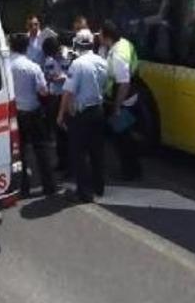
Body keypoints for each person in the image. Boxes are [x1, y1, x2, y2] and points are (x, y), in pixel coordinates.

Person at [57, 29, 108, 203]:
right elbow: (105, 85)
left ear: (77, 45)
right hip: (98, 110)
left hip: (82, 114)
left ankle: (84, 193)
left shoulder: (77, 64)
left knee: (79, 153)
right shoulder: (102, 62)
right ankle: (99, 187)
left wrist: (61, 114)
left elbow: (68, 92)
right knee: (97, 152)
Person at [10, 33, 58, 197]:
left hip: (14, 114)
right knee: (41, 150)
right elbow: (43, 91)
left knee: (19, 152)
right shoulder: (32, 67)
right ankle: (49, 186)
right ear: (27, 48)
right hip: (33, 112)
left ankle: (22, 188)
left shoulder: (5, 67)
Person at [100, 20, 143, 181]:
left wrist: (117, 107)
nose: (99, 37)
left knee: (123, 138)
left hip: (123, 101)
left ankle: (131, 171)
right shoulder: (124, 43)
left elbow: (123, 84)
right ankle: (132, 169)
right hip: (129, 98)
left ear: (107, 36)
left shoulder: (118, 55)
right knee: (125, 136)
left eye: (100, 34)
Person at [42, 36, 69, 174]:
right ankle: (63, 162)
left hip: (63, 96)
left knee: (65, 132)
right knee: (59, 132)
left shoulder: (65, 56)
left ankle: (68, 163)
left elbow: (70, 73)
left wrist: (61, 77)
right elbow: (49, 75)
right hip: (57, 97)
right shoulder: (50, 60)